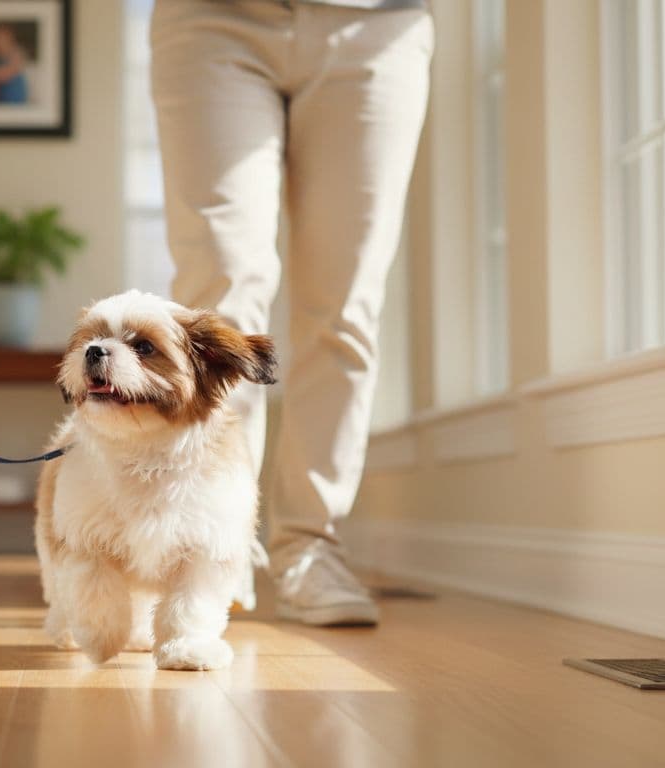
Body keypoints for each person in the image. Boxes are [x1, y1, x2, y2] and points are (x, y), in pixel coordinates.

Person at [150, 0, 432, 625]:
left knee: (345, 302)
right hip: (211, 19)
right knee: (217, 293)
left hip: (378, 25)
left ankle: (310, 543)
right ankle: (214, 545)